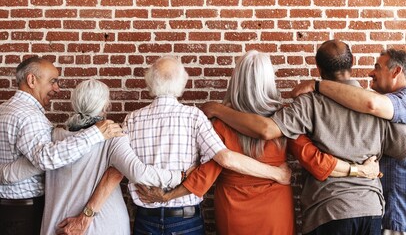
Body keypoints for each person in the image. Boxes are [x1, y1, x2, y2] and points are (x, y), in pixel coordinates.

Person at [136, 50, 380, 235]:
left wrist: (169, 195)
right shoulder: (284, 119)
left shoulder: (219, 121)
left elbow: (206, 174)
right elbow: (312, 159)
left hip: (232, 209)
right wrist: (357, 170)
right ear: (268, 80)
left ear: (236, 80)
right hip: (275, 209)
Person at [200, 40, 406, 235]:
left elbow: (269, 130)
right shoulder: (378, 109)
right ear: (352, 63)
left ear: (318, 68)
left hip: (327, 209)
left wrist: (218, 110)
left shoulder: (308, 104)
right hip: (370, 209)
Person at [124, 56, 293, 235]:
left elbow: (126, 167)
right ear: (182, 81)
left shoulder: (132, 119)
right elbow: (223, 159)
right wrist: (277, 173)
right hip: (192, 218)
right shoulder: (195, 117)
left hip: (151, 217)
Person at [291, 49, 406, 235]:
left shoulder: (405, 101)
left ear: (396, 72)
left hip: (402, 216)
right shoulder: (390, 109)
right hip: (386, 212)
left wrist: (318, 86)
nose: (370, 73)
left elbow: (371, 103)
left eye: (377, 67)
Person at [0, 57, 121, 235]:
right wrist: (95, 133)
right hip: (24, 211)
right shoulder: (29, 116)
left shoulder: (5, 109)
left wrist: (6, 173)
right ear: (32, 80)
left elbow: (33, 160)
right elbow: (45, 159)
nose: (57, 88)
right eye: (53, 81)